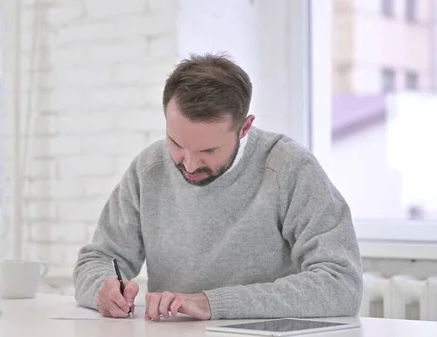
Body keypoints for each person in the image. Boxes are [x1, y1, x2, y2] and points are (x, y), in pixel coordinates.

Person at [72, 53, 363, 321]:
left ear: (245, 128)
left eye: (208, 151)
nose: (188, 165)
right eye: (176, 144)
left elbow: (341, 283)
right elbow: (97, 259)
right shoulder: (149, 169)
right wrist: (104, 289)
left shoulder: (288, 168)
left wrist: (213, 303)